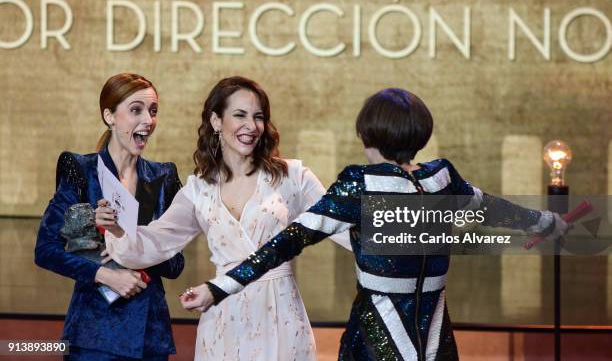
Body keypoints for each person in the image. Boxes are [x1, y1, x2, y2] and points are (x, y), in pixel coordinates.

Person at [187, 88, 570, 361]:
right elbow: (492, 208)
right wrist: (546, 222)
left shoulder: (361, 183)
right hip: (436, 339)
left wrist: (217, 289)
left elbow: (287, 242)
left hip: (376, 339)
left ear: (368, 135)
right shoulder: (442, 177)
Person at [103, 76, 351, 360]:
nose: (251, 126)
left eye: (258, 117)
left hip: (281, 315)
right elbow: (156, 242)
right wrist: (118, 230)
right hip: (224, 315)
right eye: (240, 115)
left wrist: (401, 237)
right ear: (216, 121)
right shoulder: (198, 190)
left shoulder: (292, 177)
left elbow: (343, 226)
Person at [34, 73, 184, 360]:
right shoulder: (81, 170)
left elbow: (176, 264)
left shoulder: (163, 177)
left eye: (153, 111)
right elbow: (46, 250)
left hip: (149, 338)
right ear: (109, 115)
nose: (148, 120)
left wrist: (129, 237)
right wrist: (105, 275)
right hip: (93, 333)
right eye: (136, 109)